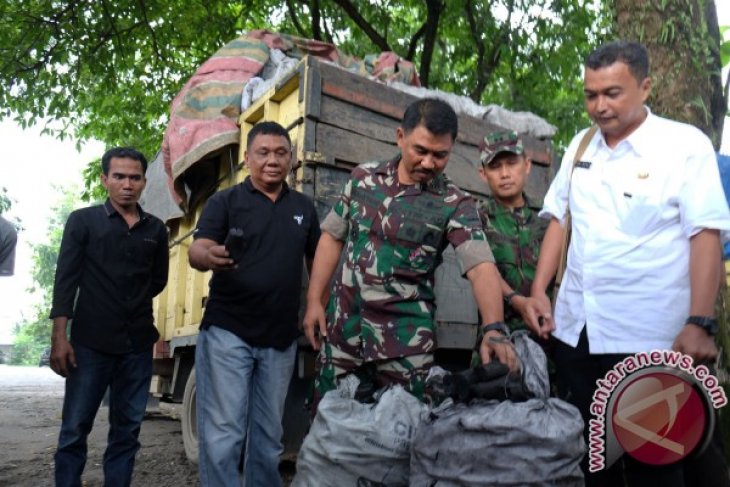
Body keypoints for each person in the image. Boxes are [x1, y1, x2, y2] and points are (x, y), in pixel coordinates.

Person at [529, 41, 730, 486]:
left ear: (645, 87)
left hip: (649, 337)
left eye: (612, 93)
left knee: (655, 461)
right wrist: (541, 291)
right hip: (578, 331)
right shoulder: (581, 147)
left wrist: (700, 320)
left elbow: (705, 236)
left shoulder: (682, 146)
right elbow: (560, 220)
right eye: (590, 94)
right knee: (590, 455)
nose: (599, 106)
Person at [303, 97, 516, 408]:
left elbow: (481, 265)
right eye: (421, 151)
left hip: (404, 349)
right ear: (400, 137)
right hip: (342, 336)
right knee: (326, 429)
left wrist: (494, 329)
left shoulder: (455, 203)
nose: (429, 163)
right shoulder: (363, 179)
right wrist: (314, 301)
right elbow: (332, 237)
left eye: (440, 155)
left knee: (403, 438)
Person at [188, 121, 321, 487]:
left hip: (279, 338)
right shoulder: (226, 201)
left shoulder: (304, 209)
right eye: (263, 153)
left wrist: (316, 304)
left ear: (292, 159)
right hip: (228, 332)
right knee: (224, 433)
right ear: (248, 158)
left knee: (268, 438)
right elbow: (197, 249)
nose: (272, 160)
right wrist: (208, 254)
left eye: (281, 153)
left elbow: (317, 263)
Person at [50, 147, 169, 487]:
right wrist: (60, 338)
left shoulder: (155, 230)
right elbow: (65, 283)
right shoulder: (83, 221)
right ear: (105, 180)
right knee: (74, 429)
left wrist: (127, 302)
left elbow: (157, 281)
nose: (127, 184)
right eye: (118, 177)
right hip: (89, 345)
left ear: (144, 182)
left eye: (134, 177)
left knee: (127, 432)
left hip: (137, 346)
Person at [476, 130, 549, 333]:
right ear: (483, 174)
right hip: (498, 336)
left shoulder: (547, 217)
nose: (505, 174)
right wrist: (518, 302)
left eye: (511, 163)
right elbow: (482, 272)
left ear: (527, 165)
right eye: (495, 166)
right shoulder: (475, 219)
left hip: (548, 334)